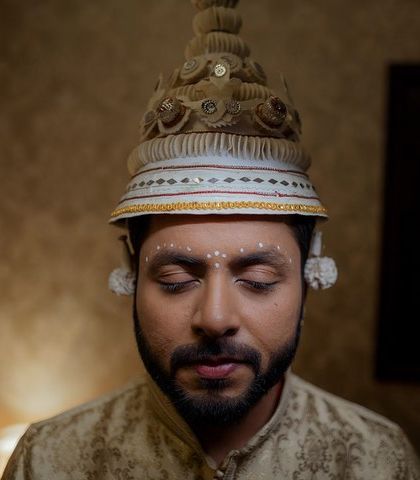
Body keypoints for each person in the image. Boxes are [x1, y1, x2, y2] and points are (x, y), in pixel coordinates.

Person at [3, 0, 419, 479]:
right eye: (178, 279)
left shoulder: (376, 460)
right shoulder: (51, 460)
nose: (215, 318)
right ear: (131, 275)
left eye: (259, 279)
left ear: (310, 275)